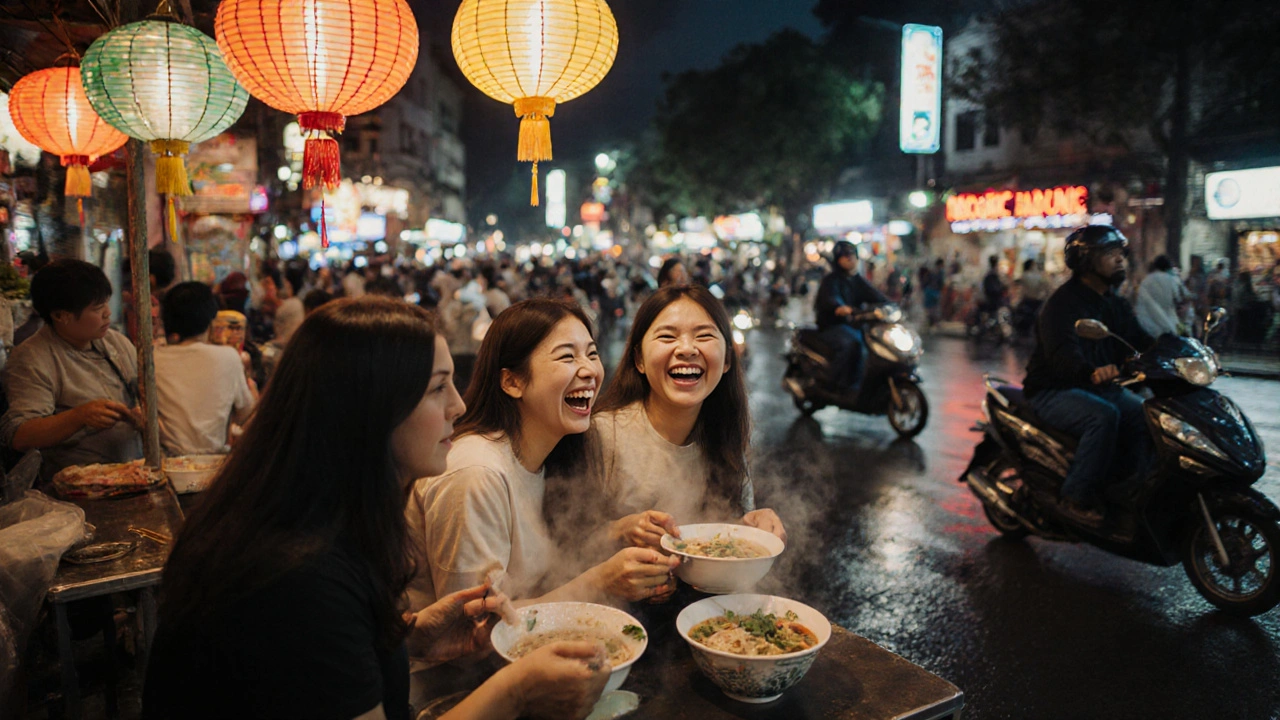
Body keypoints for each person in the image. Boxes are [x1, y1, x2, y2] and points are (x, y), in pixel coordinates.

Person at [144, 297, 609, 720]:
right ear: (370, 411)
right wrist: (517, 692)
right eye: (437, 389)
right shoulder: (293, 575)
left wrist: (410, 634)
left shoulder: (329, 522)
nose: (459, 405)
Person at [405, 298, 680, 615]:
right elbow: (472, 631)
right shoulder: (476, 472)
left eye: (592, 353)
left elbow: (557, 555)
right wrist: (601, 582)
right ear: (512, 381)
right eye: (567, 357)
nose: (590, 370)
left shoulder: (554, 454)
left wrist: (619, 531)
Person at [561, 286, 785, 563]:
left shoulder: (724, 432)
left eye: (703, 336)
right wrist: (618, 531)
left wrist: (755, 523)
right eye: (667, 336)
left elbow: (726, 534)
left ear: (727, 359)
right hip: (617, 604)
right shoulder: (603, 435)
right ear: (639, 360)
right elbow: (566, 545)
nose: (687, 349)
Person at [1022, 226, 1155, 525]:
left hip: (1100, 387)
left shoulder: (1114, 303)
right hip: (1054, 390)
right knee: (1103, 417)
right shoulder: (1062, 304)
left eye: (1121, 253)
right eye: (1110, 254)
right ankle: (1075, 496)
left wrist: (1178, 349)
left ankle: (1126, 487)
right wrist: (1090, 372)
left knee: (1148, 416)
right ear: (1086, 261)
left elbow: (1137, 339)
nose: (1120, 260)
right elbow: (1061, 355)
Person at [1, 259, 142, 480]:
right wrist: (79, 417)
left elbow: (142, 393)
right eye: (97, 308)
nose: (107, 313)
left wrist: (140, 415)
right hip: (76, 491)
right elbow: (19, 435)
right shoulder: (32, 358)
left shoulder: (115, 342)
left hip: (133, 472)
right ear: (60, 316)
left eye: (106, 303)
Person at [153, 282, 256, 456]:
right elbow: (245, 412)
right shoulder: (229, 357)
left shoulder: (154, 358)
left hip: (168, 461)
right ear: (211, 320)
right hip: (214, 460)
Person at [813, 241, 887, 393]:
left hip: (853, 325)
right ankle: (833, 383)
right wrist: (840, 307)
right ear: (838, 259)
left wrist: (891, 305)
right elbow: (831, 298)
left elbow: (876, 295)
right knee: (852, 343)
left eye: (852, 256)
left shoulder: (857, 280)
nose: (850, 259)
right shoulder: (831, 280)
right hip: (832, 326)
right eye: (845, 256)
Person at [1134, 255, 1187, 338]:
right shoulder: (1172, 280)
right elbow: (1178, 299)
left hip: (1148, 326)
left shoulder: (1146, 281)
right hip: (1170, 326)